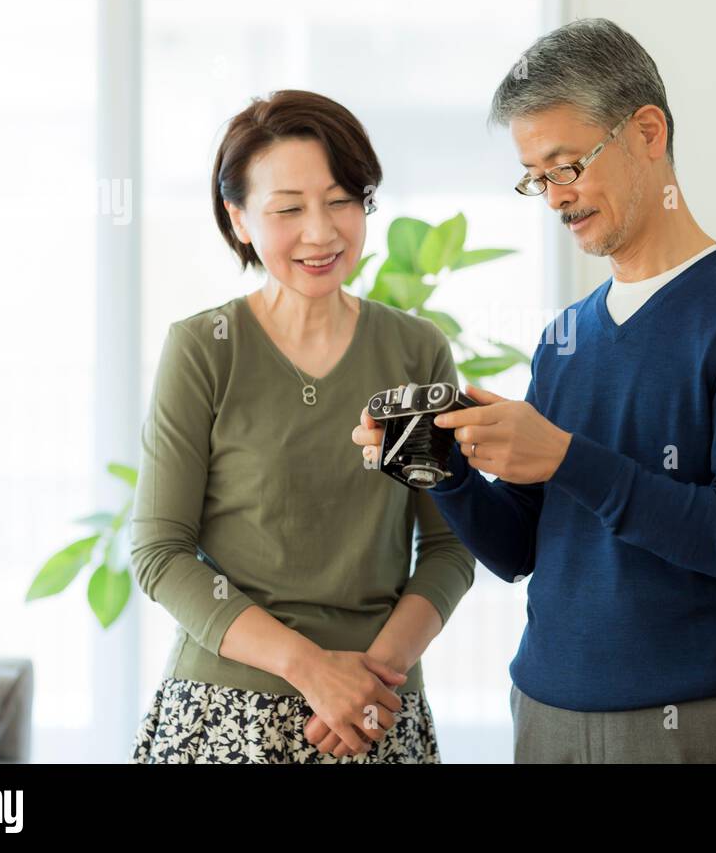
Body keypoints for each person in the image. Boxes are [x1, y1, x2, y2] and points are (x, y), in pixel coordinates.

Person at [353, 18, 716, 763]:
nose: (553, 197)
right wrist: (445, 469)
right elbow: (521, 549)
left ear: (646, 132)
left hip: (688, 722)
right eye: (536, 177)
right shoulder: (566, 338)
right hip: (545, 713)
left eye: (566, 166)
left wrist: (567, 456)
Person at [129, 89, 475, 763]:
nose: (321, 232)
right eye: (288, 209)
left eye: (342, 200)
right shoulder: (206, 349)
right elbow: (161, 552)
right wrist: (314, 672)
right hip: (226, 710)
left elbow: (447, 547)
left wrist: (367, 681)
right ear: (238, 219)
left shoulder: (413, 351)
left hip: (377, 707)